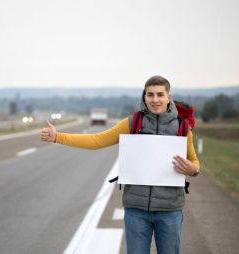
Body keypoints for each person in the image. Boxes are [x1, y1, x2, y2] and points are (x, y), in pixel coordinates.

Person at [40, 75, 200, 254]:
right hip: (136, 211)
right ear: (144, 97)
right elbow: (96, 140)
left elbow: (195, 163)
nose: (155, 100)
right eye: (150, 95)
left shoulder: (182, 127)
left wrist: (192, 169)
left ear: (168, 97)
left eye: (160, 95)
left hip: (170, 210)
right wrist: (57, 137)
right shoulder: (133, 123)